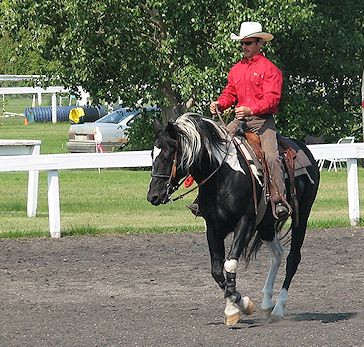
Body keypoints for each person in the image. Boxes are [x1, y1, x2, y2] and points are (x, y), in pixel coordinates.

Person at [187, 21, 288, 219]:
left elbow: (273, 98)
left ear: (260, 44)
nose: (244, 47)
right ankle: (204, 198)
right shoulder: (236, 69)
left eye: (248, 43)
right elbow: (230, 93)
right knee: (211, 148)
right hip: (239, 121)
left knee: (271, 157)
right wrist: (220, 104)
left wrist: (251, 109)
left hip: (262, 123)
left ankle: (279, 199)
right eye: (242, 43)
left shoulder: (270, 69)